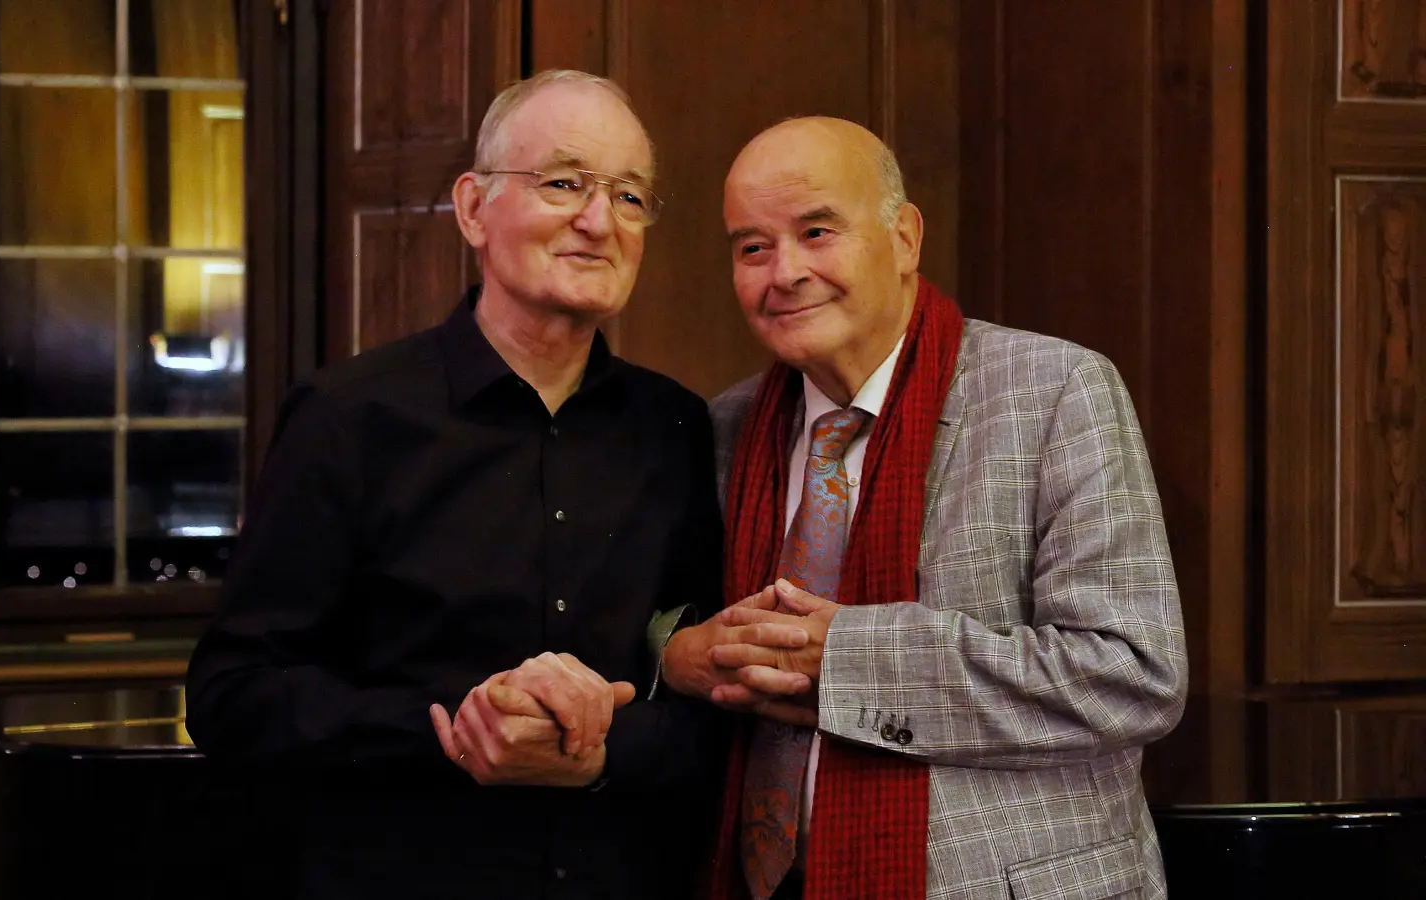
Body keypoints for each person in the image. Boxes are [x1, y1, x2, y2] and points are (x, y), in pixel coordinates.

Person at [186, 70, 730, 900]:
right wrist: (457, 725)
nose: (598, 220)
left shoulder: (677, 428)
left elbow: (701, 697)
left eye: (629, 196)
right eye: (564, 183)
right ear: (474, 209)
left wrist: (601, 751)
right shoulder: (349, 417)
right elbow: (233, 697)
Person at [661, 117, 1188, 899]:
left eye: (816, 231)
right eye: (752, 247)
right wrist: (678, 656)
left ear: (904, 238)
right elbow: (662, 619)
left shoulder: (1054, 393)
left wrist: (847, 662)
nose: (786, 271)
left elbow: (1132, 675)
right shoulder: (726, 429)